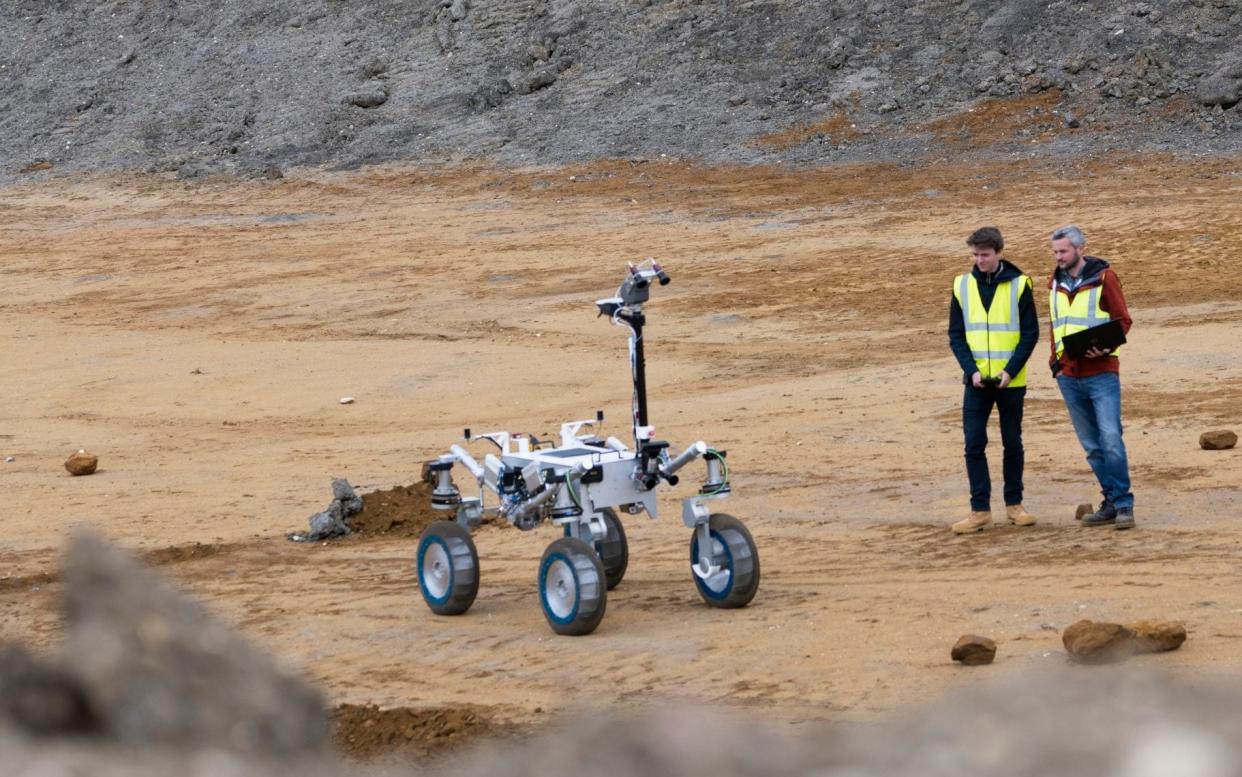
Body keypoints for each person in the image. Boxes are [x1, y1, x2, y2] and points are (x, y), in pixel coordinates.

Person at [947, 227, 1039, 534]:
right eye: (974, 255)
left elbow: (1030, 333)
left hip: (1010, 382)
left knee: (1012, 442)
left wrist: (1010, 371)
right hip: (976, 382)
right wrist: (970, 370)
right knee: (974, 443)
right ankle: (980, 510)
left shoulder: (1020, 284)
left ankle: (1014, 505)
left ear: (999, 253)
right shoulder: (961, 285)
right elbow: (956, 334)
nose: (979, 260)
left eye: (985, 255)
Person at [1048, 225, 1135, 530]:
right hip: (1068, 376)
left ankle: (1124, 504)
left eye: (1063, 251)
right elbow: (1056, 325)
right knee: (1092, 446)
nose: (1058, 257)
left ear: (1080, 249)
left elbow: (1122, 319)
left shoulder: (1104, 277)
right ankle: (1111, 501)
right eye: (1056, 251)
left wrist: (1106, 347)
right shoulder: (1055, 281)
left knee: (1110, 439)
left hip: (1102, 373)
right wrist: (1055, 364)